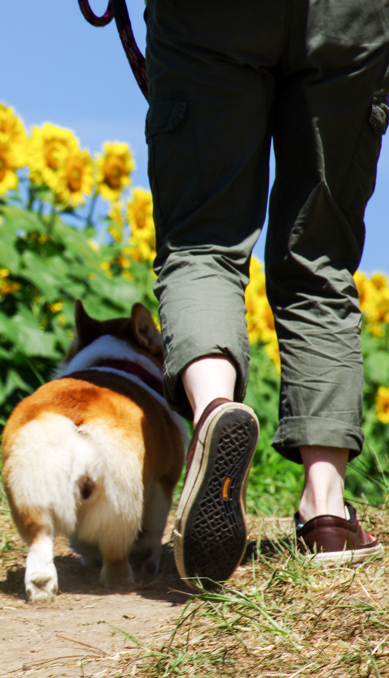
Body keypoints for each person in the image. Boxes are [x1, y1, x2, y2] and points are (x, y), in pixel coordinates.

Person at [145, 0, 388, 583]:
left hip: (210, 19)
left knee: (203, 241)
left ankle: (214, 415)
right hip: (348, 16)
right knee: (319, 259)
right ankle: (325, 511)